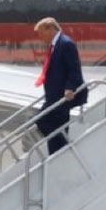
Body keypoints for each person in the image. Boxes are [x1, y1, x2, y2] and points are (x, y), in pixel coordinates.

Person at [33, 16, 86, 155]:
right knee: (53, 125)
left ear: (50, 28)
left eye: (41, 33)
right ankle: (58, 153)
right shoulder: (56, 45)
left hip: (63, 96)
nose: (40, 37)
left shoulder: (66, 44)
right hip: (54, 96)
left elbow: (74, 69)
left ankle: (63, 147)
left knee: (43, 119)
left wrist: (70, 88)